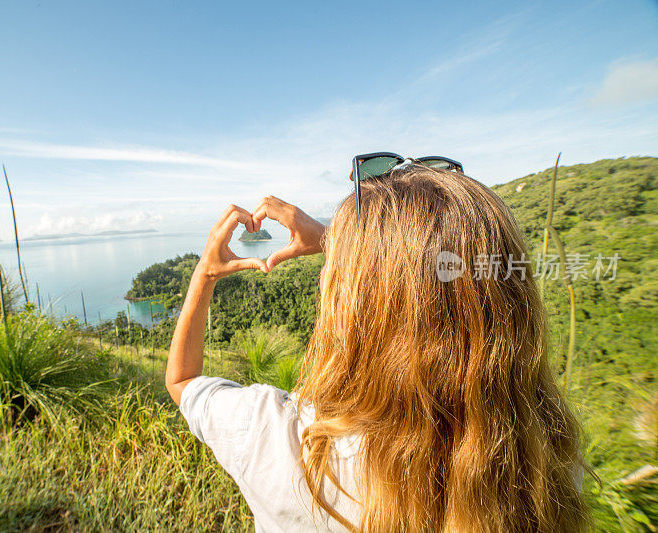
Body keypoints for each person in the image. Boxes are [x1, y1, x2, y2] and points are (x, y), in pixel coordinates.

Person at [165, 162, 590, 532]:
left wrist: (205, 273)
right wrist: (351, 245)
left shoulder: (276, 439)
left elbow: (183, 381)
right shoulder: (539, 458)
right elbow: (430, 279)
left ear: (347, 305)